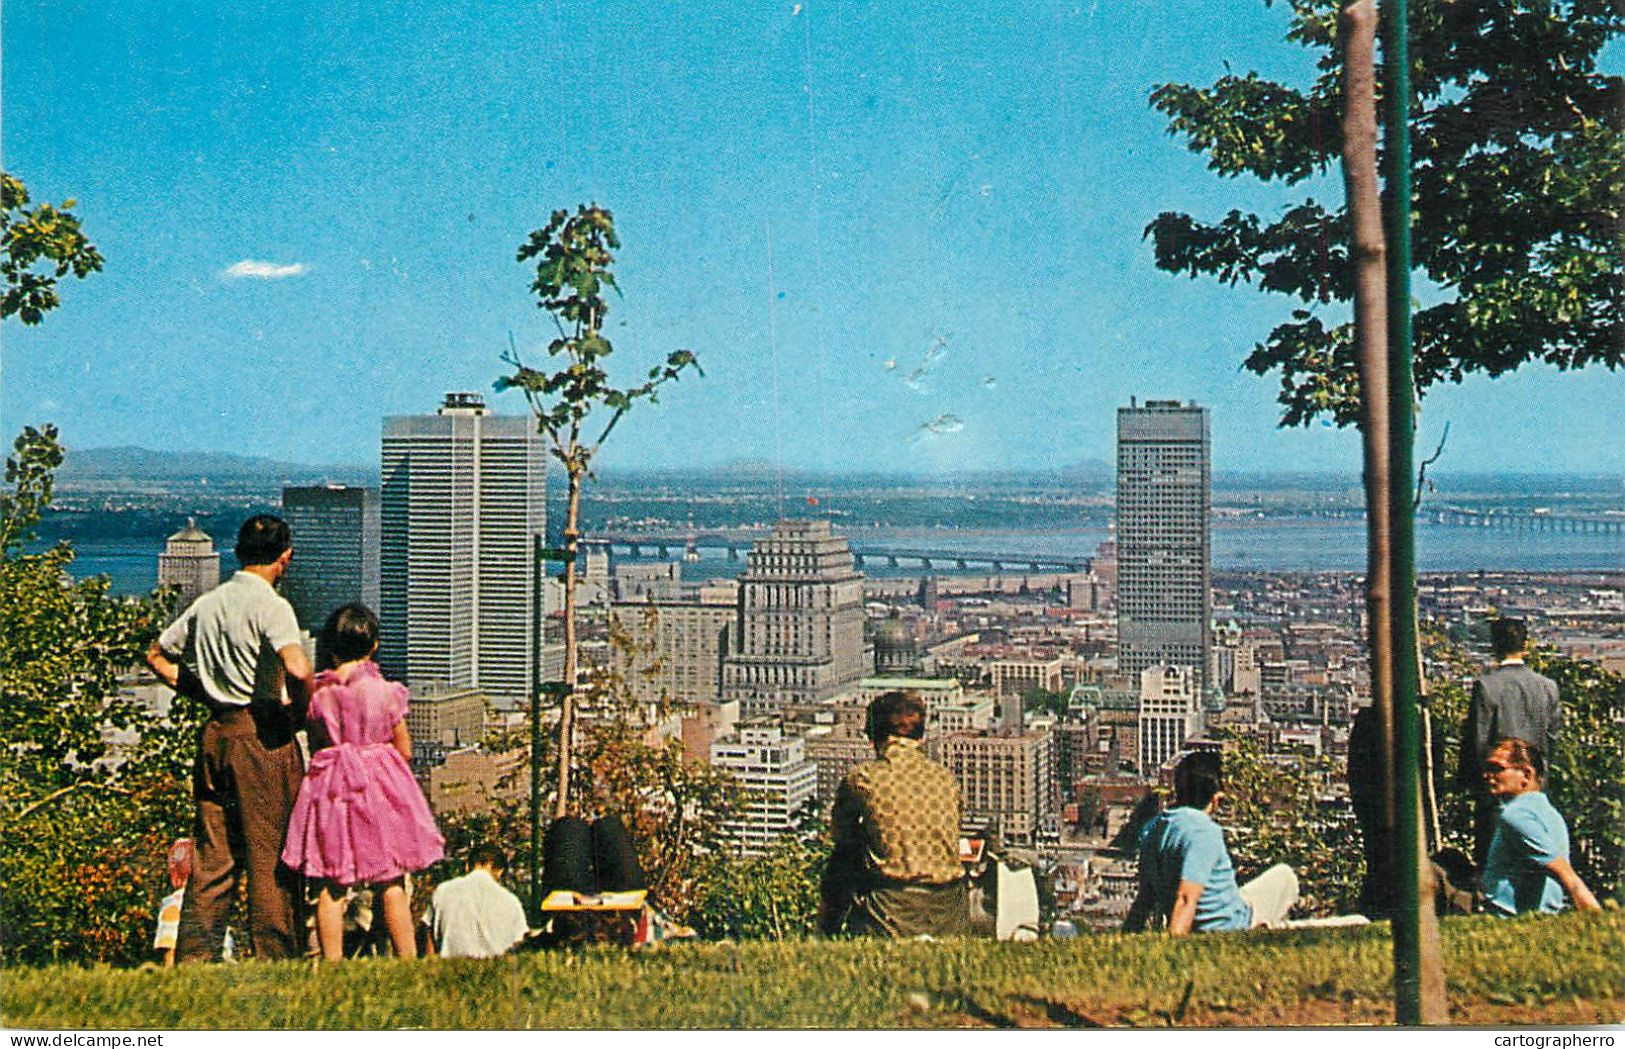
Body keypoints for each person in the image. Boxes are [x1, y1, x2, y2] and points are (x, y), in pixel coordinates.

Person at [146, 515, 313, 962]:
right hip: (261, 736)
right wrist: (298, 711)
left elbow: (156, 654)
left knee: (212, 857)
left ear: (238, 553)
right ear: (286, 557)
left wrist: (200, 691)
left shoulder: (208, 603)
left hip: (216, 733)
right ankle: (277, 958)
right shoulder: (272, 606)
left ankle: (194, 959)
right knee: (270, 854)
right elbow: (297, 667)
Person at [281, 604, 445, 961]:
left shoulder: (319, 695)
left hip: (331, 790)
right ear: (373, 646)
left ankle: (333, 963)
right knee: (391, 879)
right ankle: (407, 959)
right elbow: (403, 749)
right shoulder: (387, 692)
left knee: (331, 882)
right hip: (379, 789)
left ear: (332, 647)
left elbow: (313, 736)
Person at [820, 690, 968, 939]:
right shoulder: (945, 779)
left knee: (845, 855)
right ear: (920, 736)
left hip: (888, 909)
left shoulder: (862, 779)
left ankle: (826, 933)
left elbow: (841, 840)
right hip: (950, 910)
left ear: (872, 737)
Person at [1124, 750, 1299, 935]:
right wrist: (1174, 946)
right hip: (1230, 925)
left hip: (1193, 920)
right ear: (1216, 799)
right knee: (1285, 876)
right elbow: (1185, 898)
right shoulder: (1205, 832)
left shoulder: (1152, 828)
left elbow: (1145, 897)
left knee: (1244, 893)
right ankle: (1265, 934)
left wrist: (1127, 935)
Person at [1460, 618, 1561, 868]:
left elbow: (1477, 742)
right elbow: (1552, 739)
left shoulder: (1487, 687)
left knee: (1494, 858)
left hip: (1496, 791)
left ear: (1494, 645)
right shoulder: (1548, 687)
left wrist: (1474, 785)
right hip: (1534, 787)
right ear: (1525, 645)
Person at [1479, 737, 1600, 917]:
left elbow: (1564, 872)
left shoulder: (1515, 815)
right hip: (1537, 912)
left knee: (1430, 874)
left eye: (1497, 768)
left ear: (1526, 775)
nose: (1487, 775)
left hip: (1506, 917)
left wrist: (1595, 917)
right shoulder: (1550, 813)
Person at [423, 845, 530, 959]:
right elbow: (520, 942)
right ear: (500, 872)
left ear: (467, 866)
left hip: (450, 968)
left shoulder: (443, 890)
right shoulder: (511, 901)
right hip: (495, 969)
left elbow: (428, 933)